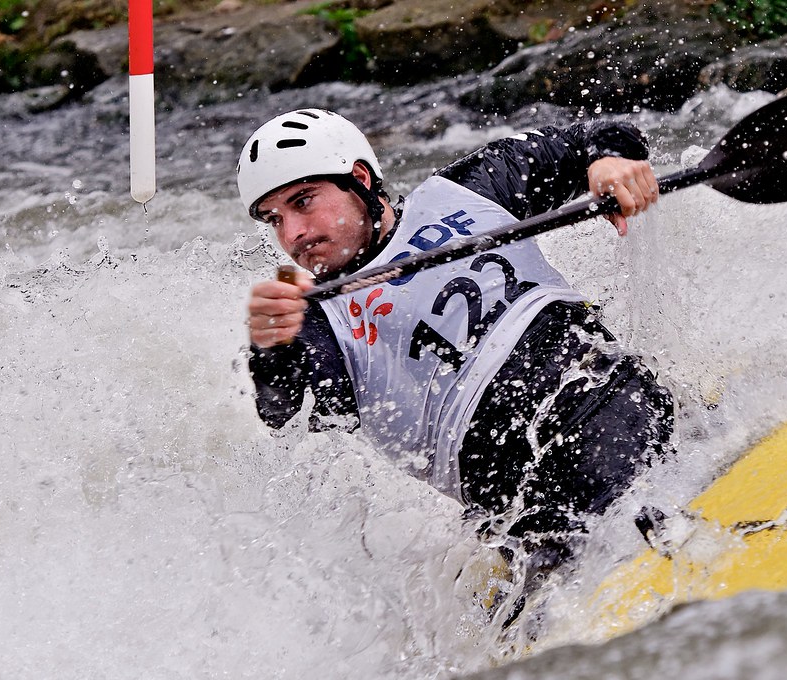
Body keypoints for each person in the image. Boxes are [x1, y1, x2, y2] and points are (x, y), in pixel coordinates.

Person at [238, 108, 674, 597]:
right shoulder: (312, 323)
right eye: (275, 219)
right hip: (520, 500)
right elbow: (287, 415)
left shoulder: (467, 190)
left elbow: (592, 136)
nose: (292, 235)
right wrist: (270, 348)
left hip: (613, 402)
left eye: (303, 202)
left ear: (358, 179)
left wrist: (607, 161)